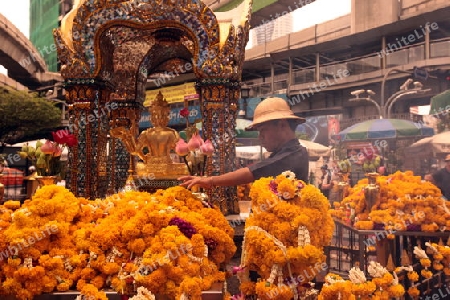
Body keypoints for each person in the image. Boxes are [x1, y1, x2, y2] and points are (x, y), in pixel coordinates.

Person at [178, 97, 309, 189]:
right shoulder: (281, 153)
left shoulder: (294, 154)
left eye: (263, 130)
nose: (260, 137)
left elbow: (252, 172)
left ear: (282, 125)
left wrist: (211, 180)